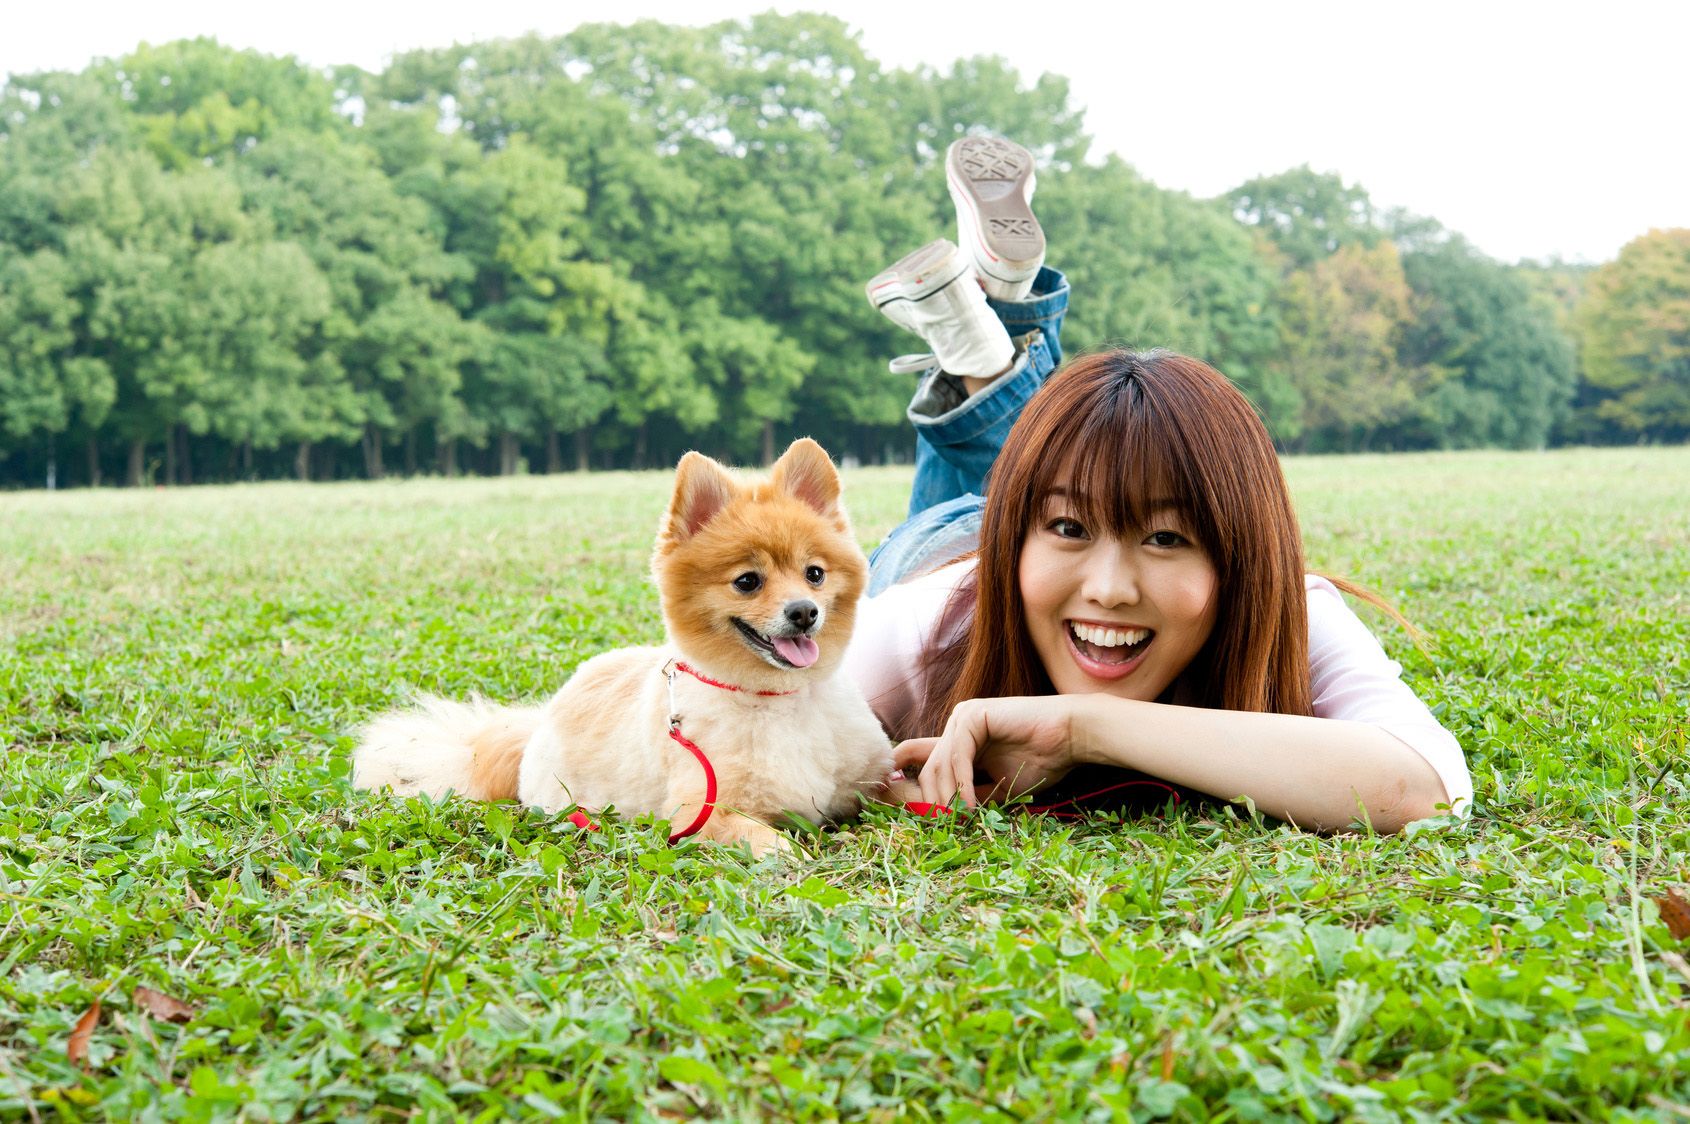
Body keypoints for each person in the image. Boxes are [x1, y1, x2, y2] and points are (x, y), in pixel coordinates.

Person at [843, 136, 1471, 833]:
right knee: (1034, 475)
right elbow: (722, 718)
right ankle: (987, 343)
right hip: (946, 551)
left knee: (1070, 465)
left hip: (1022, 533)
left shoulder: (1293, 608)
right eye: (1070, 530)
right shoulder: (922, 624)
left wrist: (1086, 727)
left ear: (1238, 556)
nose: (1111, 588)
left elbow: (1426, 791)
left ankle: (982, 342)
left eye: (1168, 537)